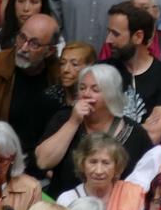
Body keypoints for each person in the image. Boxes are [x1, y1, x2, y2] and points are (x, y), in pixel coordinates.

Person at [0, 14, 65, 164]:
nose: (23, 48)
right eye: (22, 37)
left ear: (49, 51)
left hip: (41, 161)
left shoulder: (58, 74)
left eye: (34, 44)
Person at [36, 63, 153, 192]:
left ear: (111, 95)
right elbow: (43, 162)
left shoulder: (135, 133)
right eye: (82, 88)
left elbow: (148, 177)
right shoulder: (63, 119)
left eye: (95, 90)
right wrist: (73, 122)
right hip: (64, 206)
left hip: (116, 208)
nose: (86, 94)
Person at [104, 0, 161, 143]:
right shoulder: (101, 72)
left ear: (138, 36)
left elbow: (153, 137)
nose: (108, 40)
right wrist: (140, 128)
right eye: (108, 32)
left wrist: (110, 129)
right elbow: (91, 128)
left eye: (115, 34)